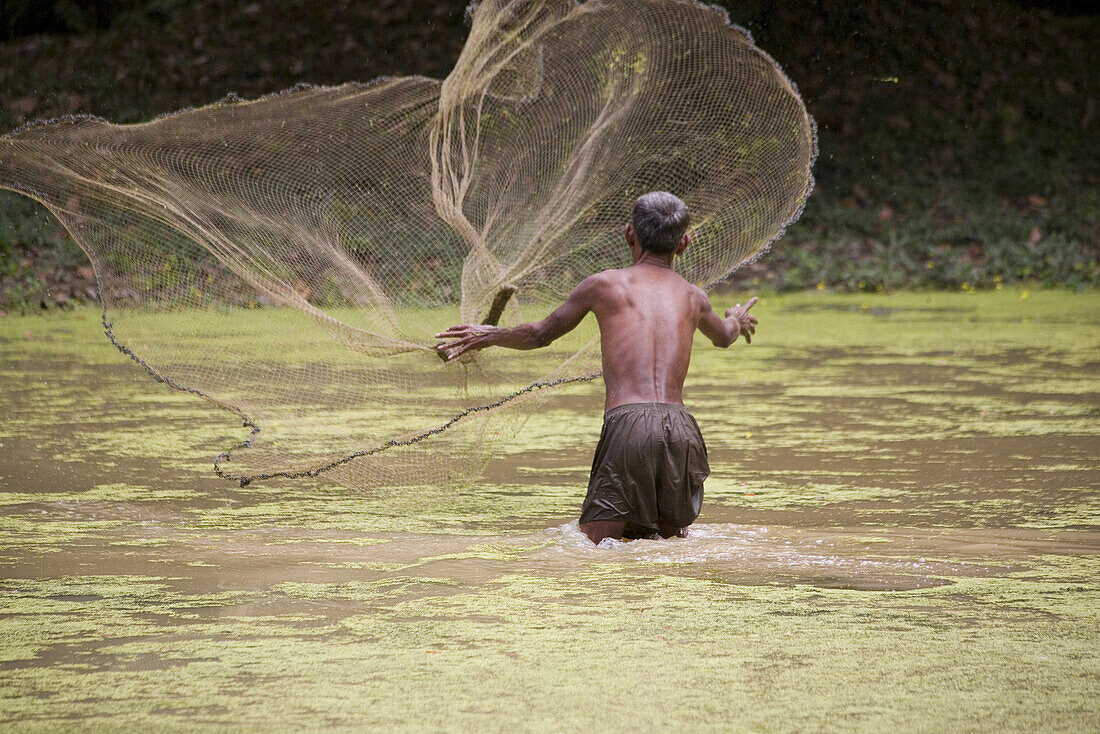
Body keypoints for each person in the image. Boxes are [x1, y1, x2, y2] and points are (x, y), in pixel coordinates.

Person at [435, 192, 758, 544]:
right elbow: (726, 337)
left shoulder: (603, 285)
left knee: (591, 548)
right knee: (667, 548)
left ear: (629, 234)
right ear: (683, 243)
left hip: (629, 425)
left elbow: (540, 334)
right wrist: (736, 319)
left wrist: (489, 334)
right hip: (681, 430)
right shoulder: (694, 296)